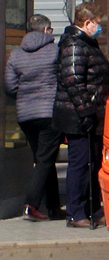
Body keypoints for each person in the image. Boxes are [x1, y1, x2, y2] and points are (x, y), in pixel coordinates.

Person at [54, 3, 109, 229]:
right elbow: (73, 81)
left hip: (92, 113)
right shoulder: (75, 45)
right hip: (78, 115)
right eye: (98, 23)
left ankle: (93, 210)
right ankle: (76, 212)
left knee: (92, 163)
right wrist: (86, 110)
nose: (100, 28)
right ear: (87, 23)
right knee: (80, 163)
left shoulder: (87, 43)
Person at [5, 14, 62, 221]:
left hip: (25, 115)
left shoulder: (16, 54)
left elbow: (10, 86)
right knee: (45, 159)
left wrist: (26, 95)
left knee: (44, 158)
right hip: (49, 112)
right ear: (46, 30)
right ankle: (31, 205)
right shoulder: (55, 51)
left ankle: (54, 206)